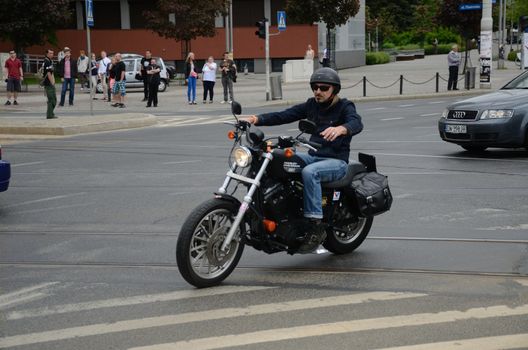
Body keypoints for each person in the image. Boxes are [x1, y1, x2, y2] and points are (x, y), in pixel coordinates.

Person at [242, 67, 363, 253]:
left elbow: (356, 122)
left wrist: (342, 129)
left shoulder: (345, 106)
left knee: (309, 172)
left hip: (336, 162)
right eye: (315, 87)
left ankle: (314, 223)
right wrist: (257, 119)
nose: (318, 91)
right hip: (313, 156)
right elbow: (285, 115)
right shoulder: (311, 105)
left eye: (323, 88)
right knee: (276, 160)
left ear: (334, 90)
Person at [42, 49, 57, 119]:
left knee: (53, 99)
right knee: (52, 99)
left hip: (50, 83)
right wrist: (52, 83)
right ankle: (50, 115)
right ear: (47, 54)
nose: (52, 54)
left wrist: (53, 81)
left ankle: (51, 113)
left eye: (52, 53)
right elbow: (48, 73)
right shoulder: (46, 62)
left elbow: (51, 72)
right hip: (48, 83)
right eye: (50, 53)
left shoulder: (50, 61)